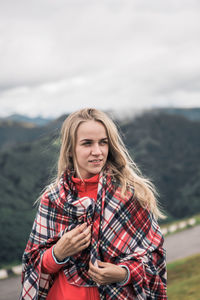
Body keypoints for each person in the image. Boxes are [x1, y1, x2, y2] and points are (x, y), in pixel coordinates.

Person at [20, 108, 167, 300]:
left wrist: (124, 273)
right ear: (71, 150)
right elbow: (32, 264)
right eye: (87, 143)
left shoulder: (128, 195)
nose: (97, 152)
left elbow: (154, 257)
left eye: (103, 143)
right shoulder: (53, 199)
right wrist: (57, 253)